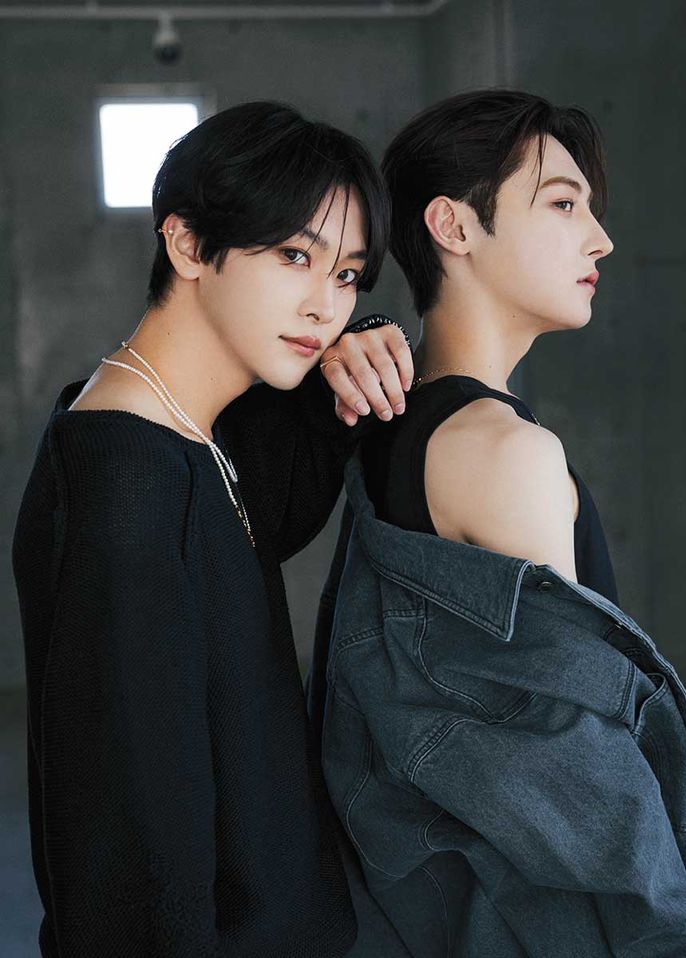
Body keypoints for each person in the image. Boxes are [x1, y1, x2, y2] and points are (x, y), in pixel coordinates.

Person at [309, 89, 686, 956]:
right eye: (564, 205)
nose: (600, 239)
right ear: (454, 227)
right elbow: (576, 777)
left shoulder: (390, 429)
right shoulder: (505, 453)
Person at [12, 100, 415, 957]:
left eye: (348, 274)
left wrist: (359, 350)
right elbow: (130, 843)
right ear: (189, 245)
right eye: (294, 256)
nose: (325, 305)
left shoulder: (185, 433)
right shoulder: (125, 485)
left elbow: (276, 502)